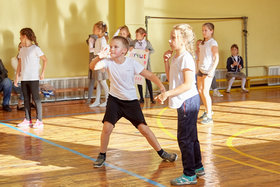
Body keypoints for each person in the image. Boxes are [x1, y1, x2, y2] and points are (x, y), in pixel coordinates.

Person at [89, 36, 178, 168]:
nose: (112, 49)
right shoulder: (107, 61)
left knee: (144, 129)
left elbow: (150, 75)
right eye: (111, 46)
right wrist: (99, 56)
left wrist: (161, 86)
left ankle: (162, 152)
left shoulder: (131, 63)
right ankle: (102, 154)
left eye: (115, 47)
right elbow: (93, 66)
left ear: (124, 51)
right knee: (107, 127)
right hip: (114, 101)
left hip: (131, 102)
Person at [156, 24, 204, 185]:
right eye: (171, 36)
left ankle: (189, 174)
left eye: (174, 37)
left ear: (183, 40)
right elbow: (171, 79)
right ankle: (198, 167)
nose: (170, 40)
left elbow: (188, 84)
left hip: (187, 101)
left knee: (184, 138)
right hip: (184, 101)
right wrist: (166, 61)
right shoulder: (176, 57)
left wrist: (166, 94)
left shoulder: (186, 58)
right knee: (191, 137)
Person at [15, 28, 47, 128]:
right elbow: (19, 64)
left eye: (20, 36)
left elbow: (45, 60)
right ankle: (27, 119)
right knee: (26, 99)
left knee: (36, 99)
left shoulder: (35, 49)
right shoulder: (22, 49)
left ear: (24, 36)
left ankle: (39, 121)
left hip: (33, 78)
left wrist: (42, 73)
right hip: (24, 78)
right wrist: (17, 77)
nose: (19, 38)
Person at [197, 23, 219, 125]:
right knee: (200, 91)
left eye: (206, 30)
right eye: (203, 30)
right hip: (200, 70)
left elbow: (216, 58)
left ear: (211, 31)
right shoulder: (202, 43)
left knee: (205, 92)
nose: (204, 32)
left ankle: (210, 116)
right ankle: (206, 110)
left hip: (208, 71)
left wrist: (212, 70)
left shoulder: (213, 43)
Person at [130, 28, 155, 104]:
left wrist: (148, 51)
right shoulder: (134, 42)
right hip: (137, 64)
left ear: (143, 35)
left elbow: (153, 50)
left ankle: (151, 97)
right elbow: (129, 48)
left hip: (145, 64)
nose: (136, 36)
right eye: (136, 35)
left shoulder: (147, 42)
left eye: (138, 35)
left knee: (148, 80)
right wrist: (130, 48)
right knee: (139, 80)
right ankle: (141, 98)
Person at [89, 21, 109, 108]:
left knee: (103, 82)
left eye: (95, 29)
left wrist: (103, 65)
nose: (93, 30)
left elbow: (104, 53)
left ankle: (108, 100)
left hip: (101, 63)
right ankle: (97, 100)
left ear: (100, 30)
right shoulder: (98, 39)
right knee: (99, 82)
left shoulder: (103, 40)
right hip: (97, 61)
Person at [86, 24, 99, 104]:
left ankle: (98, 98)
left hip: (100, 59)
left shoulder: (102, 38)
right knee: (92, 80)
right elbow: (90, 50)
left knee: (100, 81)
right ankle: (89, 99)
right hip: (94, 59)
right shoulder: (92, 38)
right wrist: (99, 48)